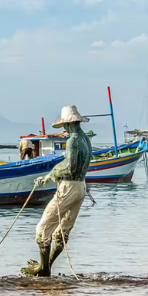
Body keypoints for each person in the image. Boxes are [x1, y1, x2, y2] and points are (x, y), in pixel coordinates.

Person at [22, 106, 92, 277]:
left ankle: (44, 268)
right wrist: (51, 174)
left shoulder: (72, 141)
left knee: (42, 229)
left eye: (64, 126)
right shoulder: (86, 139)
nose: (64, 129)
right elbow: (76, 165)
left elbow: (70, 166)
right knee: (62, 231)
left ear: (67, 124)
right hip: (81, 186)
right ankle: (46, 265)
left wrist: (50, 174)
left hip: (68, 187)